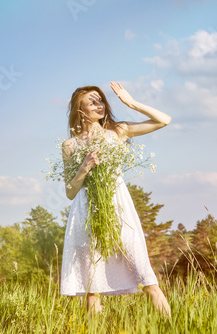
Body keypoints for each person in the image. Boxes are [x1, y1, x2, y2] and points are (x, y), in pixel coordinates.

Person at [60, 81, 171, 317]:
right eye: (92, 101)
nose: (99, 105)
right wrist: (84, 168)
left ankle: (171, 328)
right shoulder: (70, 144)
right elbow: (70, 192)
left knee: (147, 278)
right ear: (80, 110)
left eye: (101, 100)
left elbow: (163, 120)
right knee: (92, 288)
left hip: (119, 208)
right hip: (86, 211)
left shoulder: (118, 131)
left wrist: (131, 103)